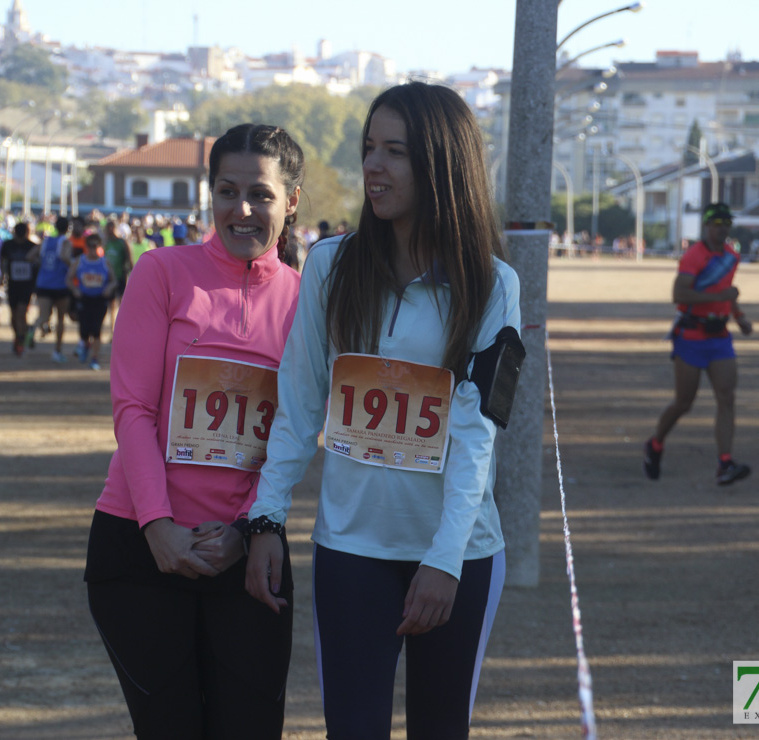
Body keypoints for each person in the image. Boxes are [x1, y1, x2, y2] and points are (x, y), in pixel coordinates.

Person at [245, 82, 520, 740]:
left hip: (458, 554)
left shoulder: (493, 284)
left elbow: (478, 436)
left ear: (441, 164)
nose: (374, 165)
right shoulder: (330, 265)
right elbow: (299, 400)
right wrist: (265, 518)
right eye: (370, 148)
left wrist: (445, 560)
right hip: (350, 549)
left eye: (395, 151)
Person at [84, 123, 304, 739]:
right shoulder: (160, 272)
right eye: (227, 191)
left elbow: (293, 432)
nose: (242, 209)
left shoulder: (306, 299)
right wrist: (157, 526)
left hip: (248, 553)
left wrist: (247, 529)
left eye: (260, 194)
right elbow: (132, 408)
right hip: (140, 546)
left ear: (290, 200)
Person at [643, 201, 753, 486]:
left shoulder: (731, 256)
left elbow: (726, 293)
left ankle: (725, 463)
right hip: (691, 336)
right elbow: (679, 294)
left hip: (720, 338)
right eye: (717, 224)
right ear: (706, 226)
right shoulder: (695, 255)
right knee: (683, 402)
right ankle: (655, 444)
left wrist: (739, 317)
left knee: (727, 399)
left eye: (726, 223)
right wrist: (721, 298)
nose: (722, 229)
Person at [27, 216, 73, 362]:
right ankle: (57, 350)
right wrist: (74, 265)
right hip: (60, 284)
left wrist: (41, 263)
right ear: (67, 228)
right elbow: (65, 257)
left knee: (43, 316)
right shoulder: (66, 242)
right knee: (60, 318)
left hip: (43, 283)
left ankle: (33, 329)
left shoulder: (46, 242)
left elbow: (29, 256)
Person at [67, 232, 115, 371]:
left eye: (96, 246)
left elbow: (113, 281)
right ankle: (85, 346)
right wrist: (75, 290)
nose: (93, 249)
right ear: (86, 247)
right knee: (84, 329)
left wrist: (108, 288)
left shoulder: (105, 262)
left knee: (96, 329)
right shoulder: (80, 261)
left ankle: (94, 358)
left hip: (99, 299)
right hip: (84, 298)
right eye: (90, 246)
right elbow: (69, 278)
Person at [0, 221, 40, 356]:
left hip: (27, 285)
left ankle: (20, 342)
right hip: (12, 284)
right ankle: (20, 334)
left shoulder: (32, 246)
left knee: (21, 313)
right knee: (13, 314)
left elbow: (37, 263)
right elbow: (2, 260)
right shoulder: (8, 245)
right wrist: (1, 277)